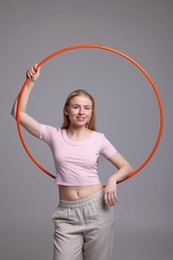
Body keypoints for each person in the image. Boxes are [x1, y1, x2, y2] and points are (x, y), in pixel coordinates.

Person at [11, 64, 133, 260]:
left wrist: (112, 180)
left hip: (98, 210)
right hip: (66, 213)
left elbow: (126, 167)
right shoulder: (54, 135)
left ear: (91, 113)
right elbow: (17, 113)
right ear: (67, 110)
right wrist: (31, 82)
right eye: (76, 107)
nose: (81, 112)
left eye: (87, 108)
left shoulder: (98, 138)